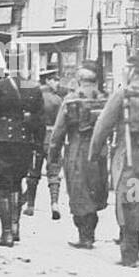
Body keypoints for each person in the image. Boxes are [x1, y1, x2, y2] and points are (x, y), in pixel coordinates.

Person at [89, 57, 139, 267]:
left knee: (130, 200)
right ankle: (134, 247)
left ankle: (129, 253)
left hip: (130, 157)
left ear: (132, 71)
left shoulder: (123, 94)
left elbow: (102, 126)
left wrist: (93, 154)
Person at [0, 67, 46, 247]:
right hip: (24, 142)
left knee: (3, 188)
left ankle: (6, 234)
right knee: (17, 184)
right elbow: (40, 120)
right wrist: (39, 144)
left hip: (0, 141)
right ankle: (15, 229)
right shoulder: (34, 88)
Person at [47, 64, 108, 249]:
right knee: (95, 189)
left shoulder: (71, 99)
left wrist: (53, 155)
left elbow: (58, 131)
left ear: (79, 80)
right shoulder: (103, 99)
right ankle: (91, 233)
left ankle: (85, 236)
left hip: (77, 148)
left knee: (78, 191)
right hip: (99, 151)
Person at [23, 69, 66, 220]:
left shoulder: (32, 97)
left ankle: (30, 205)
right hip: (53, 139)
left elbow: (27, 119)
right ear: (47, 81)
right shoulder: (58, 100)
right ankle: (54, 204)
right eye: (54, 80)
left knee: (33, 172)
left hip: (36, 139)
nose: (57, 83)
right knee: (53, 172)